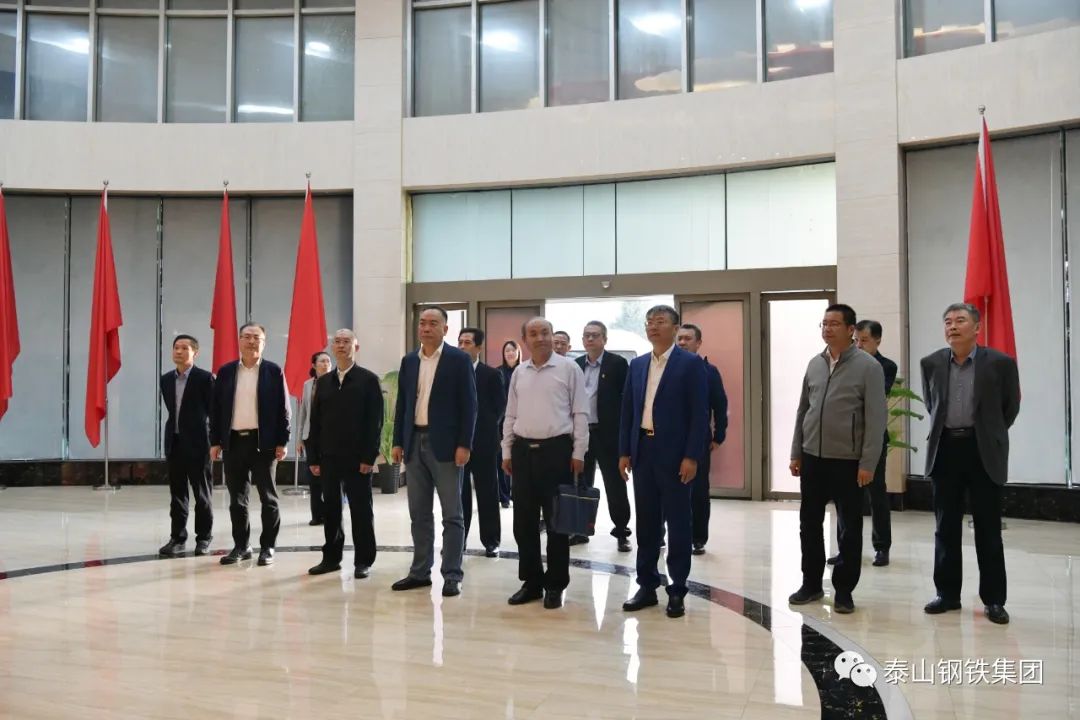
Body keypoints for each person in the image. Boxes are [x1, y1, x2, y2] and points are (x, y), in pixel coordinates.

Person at [921, 303, 1019, 625]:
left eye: (960, 320)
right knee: (945, 528)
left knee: (988, 530)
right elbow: (933, 404)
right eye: (947, 321)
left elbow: (1009, 408)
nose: (952, 326)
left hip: (982, 451)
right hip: (946, 449)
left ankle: (994, 600)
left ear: (977, 328)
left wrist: (988, 433)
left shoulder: (1001, 363)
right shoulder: (931, 363)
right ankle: (947, 594)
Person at [787, 304, 886, 615]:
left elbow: (876, 419)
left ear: (850, 329)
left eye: (834, 324)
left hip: (848, 460)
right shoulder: (815, 363)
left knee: (849, 527)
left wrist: (868, 463)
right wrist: (796, 452)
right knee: (809, 523)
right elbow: (803, 410)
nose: (827, 329)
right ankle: (811, 583)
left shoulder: (868, 367)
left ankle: (844, 590)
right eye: (824, 323)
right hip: (812, 457)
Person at [620, 305, 708, 619]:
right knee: (646, 523)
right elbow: (628, 410)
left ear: (674, 327)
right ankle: (646, 585)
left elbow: (699, 414)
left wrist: (692, 456)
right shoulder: (638, 364)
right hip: (643, 451)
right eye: (649, 322)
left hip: (675, 455)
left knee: (679, 523)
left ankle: (677, 589)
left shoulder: (690, 364)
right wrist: (624, 451)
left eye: (660, 322)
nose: (653, 327)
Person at [391, 307, 477, 598]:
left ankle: (452, 574)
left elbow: (470, 405)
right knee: (419, 514)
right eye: (422, 323)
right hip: (414, 442)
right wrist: (398, 441)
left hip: (447, 446)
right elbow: (403, 404)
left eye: (433, 324)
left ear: (445, 329)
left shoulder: (458, 360)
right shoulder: (409, 361)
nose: (426, 328)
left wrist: (465, 444)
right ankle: (419, 572)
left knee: (452, 514)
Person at [503, 317, 589, 610]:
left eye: (545, 332)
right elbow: (510, 414)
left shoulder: (569, 369)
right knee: (523, 523)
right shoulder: (519, 372)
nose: (540, 338)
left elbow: (580, 413)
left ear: (553, 336)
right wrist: (506, 451)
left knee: (557, 524)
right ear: (525, 340)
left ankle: (555, 584)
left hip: (558, 452)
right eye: (533, 333)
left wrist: (579, 452)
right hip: (523, 452)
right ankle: (531, 582)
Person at [210, 322, 291, 567]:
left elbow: (284, 410)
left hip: (263, 444)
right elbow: (216, 409)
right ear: (239, 340)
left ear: (264, 343)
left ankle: (268, 547)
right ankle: (241, 546)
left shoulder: (273, 371)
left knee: (268, 498)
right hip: (233, 442)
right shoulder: (226, 372)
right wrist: (215, 441)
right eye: (247, 336)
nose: (251, 341)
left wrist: (283, 441)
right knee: (237, 499)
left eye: (257, 337)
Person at [306, 329, 384, 579]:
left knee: (361, 510)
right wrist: (313, 457)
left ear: (356, 347)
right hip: (328, 456)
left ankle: (363, 560)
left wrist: (368, 457)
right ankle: (331, 558)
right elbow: (315, 421)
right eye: (337, 341)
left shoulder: (368, 380)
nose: (341, 345)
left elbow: (375, 422)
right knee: (330, 510)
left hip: (357, 458)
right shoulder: (323, 382)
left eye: (346, 341)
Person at [827, 320, 897, 568]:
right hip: (845, 440)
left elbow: (875, 396)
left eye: (864, 340)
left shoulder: (886, 366)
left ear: (878, 340)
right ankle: (845, 548)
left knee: (877, 493)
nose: (858, 345)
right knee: (843, 495)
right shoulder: (842, 364)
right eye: (855, 340)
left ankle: (881, 547)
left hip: (873, 439)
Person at [574, 321, 632, 552]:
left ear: (604, 339)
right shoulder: (576, 365)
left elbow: (627, 401)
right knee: (581, 483)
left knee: (614, 484)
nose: (590, 339)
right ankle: (581, 529)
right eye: (586, 335)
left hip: (608, 434)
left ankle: (622, 532)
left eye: (595, 335)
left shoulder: (617, 364)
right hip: (582, 433)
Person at [158, 334, 215, 558]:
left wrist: (216, 442)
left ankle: (204, 538)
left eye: (184, 348)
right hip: (175, 443)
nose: (179, 351)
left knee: (202, 494)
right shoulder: (165, 379)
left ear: (195, 352)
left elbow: (213, 411)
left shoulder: (205, 378)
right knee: (177, 495)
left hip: (199, 444)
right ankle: (178, 538)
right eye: (176, 347)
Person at [675, 323, 729, 556]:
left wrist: (719, 436)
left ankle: (697, 537)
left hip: (698, 440)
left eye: (687, 339)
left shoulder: (709, 371)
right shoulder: (666, 369)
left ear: (698, 343)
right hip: (669, 440)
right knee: (668, 490)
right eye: (679, 338)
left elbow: (720, 405)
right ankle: (668, 534)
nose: (682, 343)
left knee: (698, 491)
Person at [458, 327, 506, 557]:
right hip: (457, 444)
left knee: (487, 493)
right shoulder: (452, 374)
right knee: (460, 495)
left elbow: (500, 409)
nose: (462, 346)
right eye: (460, 342)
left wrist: (482, 429)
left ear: (479, 347)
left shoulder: (491, 375)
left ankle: (491, 540)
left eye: (467, 342)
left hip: (484, 443)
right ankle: (459, 539)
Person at [297, 351, 333, 526]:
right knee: (314, 478)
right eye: (322, 361)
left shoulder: (336, 382)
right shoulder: (308, 385)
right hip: (311, 435)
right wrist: (299, 439)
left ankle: (330, 514)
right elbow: (303, 412)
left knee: (330, 477)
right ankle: (316, 515)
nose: (326, 364)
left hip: (330, 436)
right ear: (314, 365)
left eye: (328, 361)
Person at [497, 340, 522, 508]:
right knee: (503, 458)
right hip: (503, 421)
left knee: (519, 459)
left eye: (513, 350)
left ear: (518, 352)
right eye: (507, 351)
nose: (510, 353)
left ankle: (517, 494)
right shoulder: (498, 372)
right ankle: (504, 496)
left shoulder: (524, 371)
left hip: (522, 421)